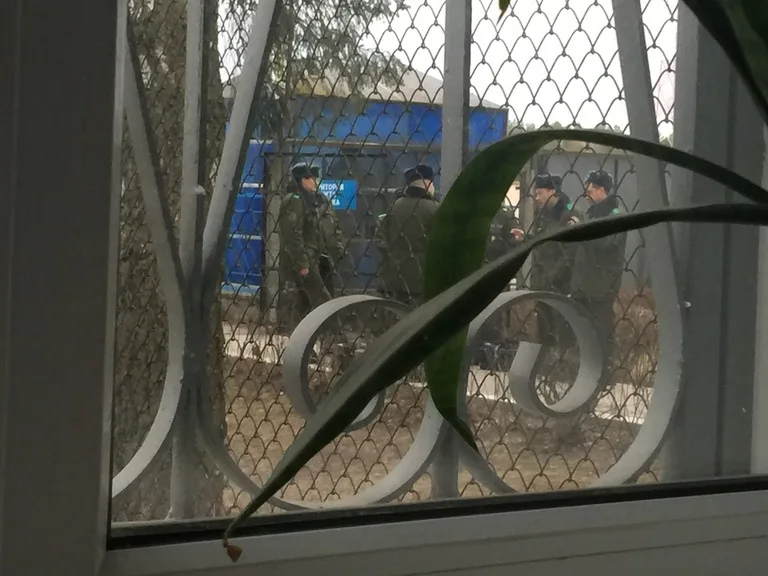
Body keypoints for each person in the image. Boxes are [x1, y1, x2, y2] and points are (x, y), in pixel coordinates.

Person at [278, 162, 343, 330]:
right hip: (306, 261)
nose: (315, 181)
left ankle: (303, 344)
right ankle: (336, 340)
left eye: (316, 177)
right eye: (311, 178)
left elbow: (333, 228)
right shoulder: (295, 200)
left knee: (305, 303)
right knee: (323, 301)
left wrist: (337, 251)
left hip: (322, 259)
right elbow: (293, 235)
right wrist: (302, 264)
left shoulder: (319, 201)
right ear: (302, 180)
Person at [570, 169, 627, 355]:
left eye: (589, 191)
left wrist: (580, 229)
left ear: (601, 190)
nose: (586, 195)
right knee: (583, 337)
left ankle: (604, 376)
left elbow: (602, 242)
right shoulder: (591, 214)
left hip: (601, 289)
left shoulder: (616, 217)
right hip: (583, 287)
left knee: (600, 336)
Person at [375, 164, 440, 307]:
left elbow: (381, 238)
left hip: (394, 276)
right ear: (428, 183)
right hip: (422, 278)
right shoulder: (435, 209)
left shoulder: (395, 206)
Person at [528, 172, 580, 348]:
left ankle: (564, 371)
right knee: (545, 332)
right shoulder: (542, 215)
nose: (536, 197)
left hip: (560, 285)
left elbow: (568, 253)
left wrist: (552, 278)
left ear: (552, 192)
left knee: (563, 332)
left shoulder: (569, 215)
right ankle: (545, 371)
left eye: (539, 192)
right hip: (541, 284)